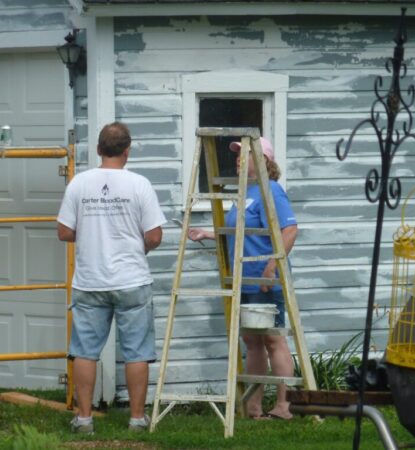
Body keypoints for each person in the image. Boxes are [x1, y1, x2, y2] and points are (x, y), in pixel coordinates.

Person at [57, 121, 166, 433]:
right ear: (127, 151)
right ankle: (136, 420)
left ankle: (84, 419)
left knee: (84, 351)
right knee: (137, 353)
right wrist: (136, 247)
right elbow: (155, 236)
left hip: (90, 280)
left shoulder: (79, 183)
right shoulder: (140, 185)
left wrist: (92, 234)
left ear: (98, 150)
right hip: (132, 278)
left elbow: (64, 231)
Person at [188, 137, 296, 420]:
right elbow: (241, 232)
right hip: (244, 278)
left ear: (264, 161)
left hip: (264, 278)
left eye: (245, 154)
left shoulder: (270, 190)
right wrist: (208, 234)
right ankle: (254, 406)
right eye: (237, 154)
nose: (238, 158)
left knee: (273, 339)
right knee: (252, 341)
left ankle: (285, 406)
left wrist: (272, 267)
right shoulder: (245, 193)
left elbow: (290, 231)